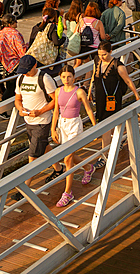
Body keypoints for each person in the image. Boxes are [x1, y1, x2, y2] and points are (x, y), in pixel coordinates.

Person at [10, 55, 64, 202]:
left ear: (35, 66)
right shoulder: (21, 79)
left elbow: (56, 99)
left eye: (27, 70)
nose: (25, 73)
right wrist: (20, 108)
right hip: (28, 120)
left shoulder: (45, 78)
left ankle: (25, 187)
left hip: (42, 121)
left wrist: (40, 111)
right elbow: (17, 99)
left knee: (33, 155)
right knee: (44, 146)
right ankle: (59, 169)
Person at [88, 41, 140, 171]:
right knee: (106, 123)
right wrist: (90, 91)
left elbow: (128, 80)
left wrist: (136, 95)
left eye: (104, 54)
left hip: (113, 98)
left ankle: (104, 155)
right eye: (99, 54)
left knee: (108, 125)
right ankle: (120, 139)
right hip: (100, 98)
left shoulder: (118, 65)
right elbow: (94, 77)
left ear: (110, 52)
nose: (101, 57)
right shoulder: (97, 61)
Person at [50, 64, 96, 207]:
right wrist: (53, 129)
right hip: (62, 125)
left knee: (67, 159)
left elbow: (88, 110)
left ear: (74, 77)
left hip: (74, 125)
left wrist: (95, 127)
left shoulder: (79, 92)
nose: (66, 79)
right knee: (68, 155)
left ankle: (68, 192)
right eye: (63, 77)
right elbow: (56, 111)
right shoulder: (58, 91)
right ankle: (88, 167)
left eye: (69, 77)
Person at [0, 14, 25, 117]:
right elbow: (21, 51)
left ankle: (7, 108)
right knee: (12, 87)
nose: (16, 23)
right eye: (15, 21)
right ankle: (2, 110)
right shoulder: (15, 34)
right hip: (12, 64)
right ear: (11, 23)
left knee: (9, 86)